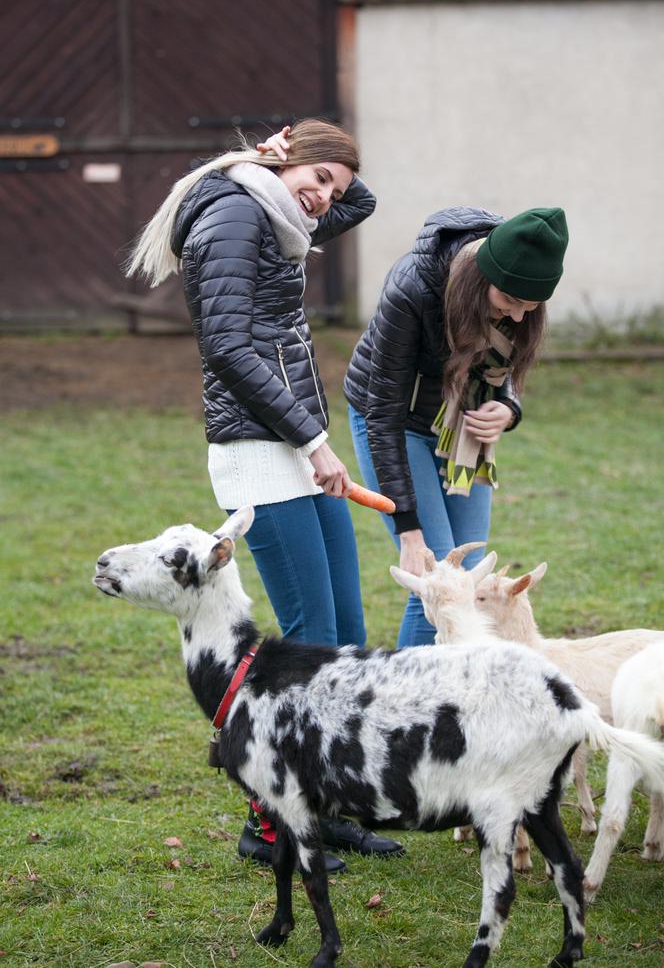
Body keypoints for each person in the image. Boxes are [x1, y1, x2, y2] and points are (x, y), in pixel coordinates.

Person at [127, 119, 403, 870]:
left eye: (330, 188)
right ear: (286, 163)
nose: (324, 200)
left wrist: (299, 163)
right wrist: (313, 441)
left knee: (341, 631)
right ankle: (270, 824)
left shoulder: (277, 213)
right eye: (318, 180)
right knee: (306, 642)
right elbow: (227, 345)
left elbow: (361, 198)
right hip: (259, 452)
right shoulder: (232, 214)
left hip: (295, 442)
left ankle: (330, 805)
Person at [344, 206, 569, 648]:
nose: (520, 318)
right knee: (439, 581)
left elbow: (502, 377)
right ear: (482, 279)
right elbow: (382, 410)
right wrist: (408, 528)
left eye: (531, 307)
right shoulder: (414, 286)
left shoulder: (518, 279)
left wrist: (507, 408)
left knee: (468, 580)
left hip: (460, 430)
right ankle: (407, 712)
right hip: (394, 422)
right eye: (510, 303)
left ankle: (450, 706)